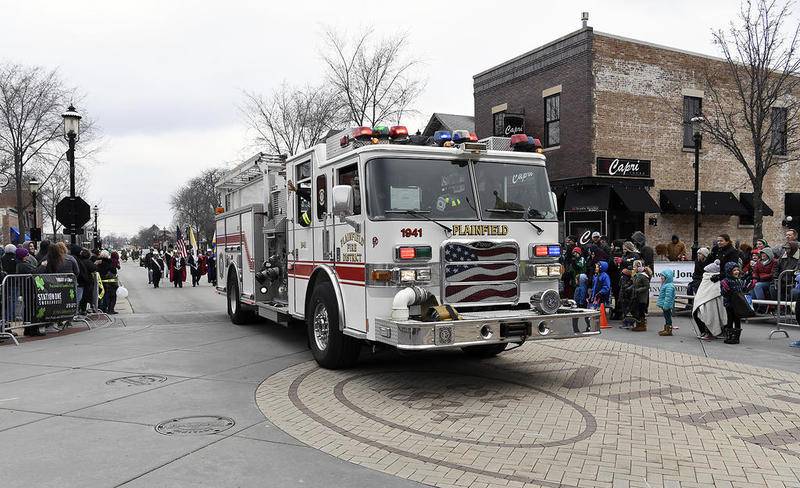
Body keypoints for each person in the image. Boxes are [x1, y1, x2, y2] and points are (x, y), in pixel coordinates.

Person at [720, 262, 753, 344]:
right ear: (729, 271)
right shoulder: (726, 281)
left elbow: (743, 290)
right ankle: (729, 336)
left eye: (737, 270)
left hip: (738, 304)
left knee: (737, 320)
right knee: (730, 319)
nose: (737, 272)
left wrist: (750, 285)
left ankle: (736, 337)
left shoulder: (739, 281)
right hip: (729, 304)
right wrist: (725, 289)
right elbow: (723, 293)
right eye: (734, 270)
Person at [693, 260, 726, 340]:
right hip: (706, 301)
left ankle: (710, 332)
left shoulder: (715, 278)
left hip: (710, 301)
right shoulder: (708, 278)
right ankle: (707, 331)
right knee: (708, 314)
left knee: (710, 315)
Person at [630, 260, 651, 332]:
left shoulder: (644, 276)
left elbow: (647, 286)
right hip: (636, 296)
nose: (634, 268)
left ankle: (642, 325)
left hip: (642, 297)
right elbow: (634, 283)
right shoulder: (637, 275)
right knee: (637, 310)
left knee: (641, 311)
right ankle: (638, 324)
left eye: (635, 267)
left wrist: (639, 290)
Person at [656, 269, 676, 336]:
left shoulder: (669, 286)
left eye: (663, 276)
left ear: (667, 277)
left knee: (668, 317)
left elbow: (668, 297)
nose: (661, 277)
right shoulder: (666, 284)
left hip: (666, 305)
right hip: (664, 305)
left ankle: (668, 330)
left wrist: (666, 305)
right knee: (666, 316)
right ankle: (666, 329)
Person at [79, 248, 97, 313]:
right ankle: (86, 308)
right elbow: (94, 268)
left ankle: (82, 309)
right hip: (88, 281)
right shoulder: (88, 262)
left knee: (82, 296)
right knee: (87, 296)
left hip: (81, 281)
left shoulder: (79, 261)